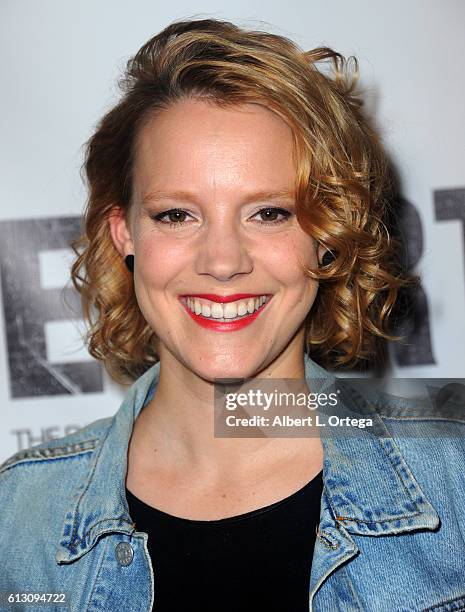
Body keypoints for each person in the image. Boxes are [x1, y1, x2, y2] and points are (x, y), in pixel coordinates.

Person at [1, 17, 464, 612]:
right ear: (124, 233)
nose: (222, 262)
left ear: (330, 233)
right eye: (176, 215)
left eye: (269, 212)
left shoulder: (451, 484)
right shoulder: (22, 515)